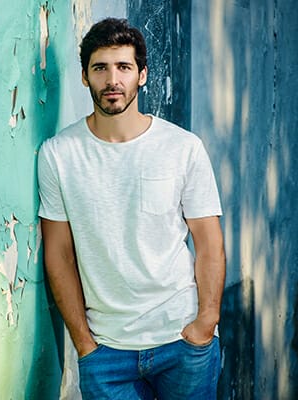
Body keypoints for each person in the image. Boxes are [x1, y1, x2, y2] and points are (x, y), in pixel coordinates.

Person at [37, 18, 225, 399]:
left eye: (123, 67)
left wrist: (206, 321)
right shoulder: (59, 154)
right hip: (106, 352)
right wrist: (84, 344)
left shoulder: (183, 148)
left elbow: (209, 242)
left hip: (181, 340)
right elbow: (58, 254)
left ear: (142, 75)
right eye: (100, 68)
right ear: (85, 76)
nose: (112, 80)